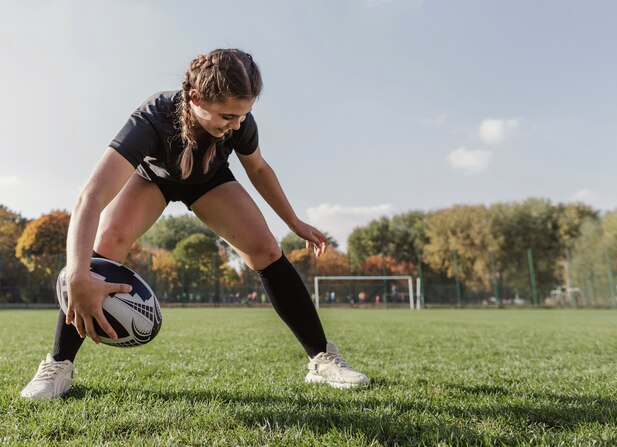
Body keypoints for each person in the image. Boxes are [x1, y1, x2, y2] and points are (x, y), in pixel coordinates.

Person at [21, 49, 369, 399]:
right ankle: (58, 365)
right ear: (195, 98)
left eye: (243, 116)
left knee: (265, 249)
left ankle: (323, 358)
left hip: (210, 180)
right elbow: (91, 198)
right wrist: (79, 275)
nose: (236, 125)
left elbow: (259, 169)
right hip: (154, 178)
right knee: (107, 243)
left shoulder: (240, 123)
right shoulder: (153, 117)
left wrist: (293, 221)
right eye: (228, 116)